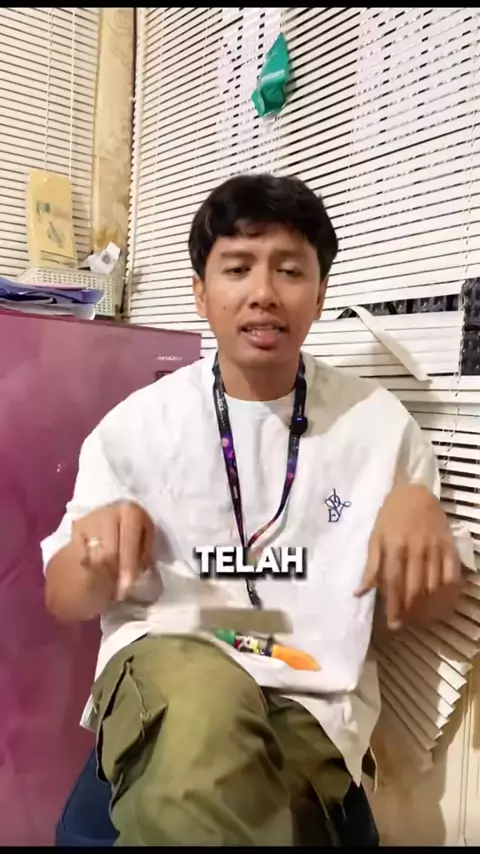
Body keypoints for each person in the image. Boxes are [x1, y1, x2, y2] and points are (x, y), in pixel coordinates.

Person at [43, 174, 463, 847]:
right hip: (172, 666)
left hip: (311, 706)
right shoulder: (137, 426)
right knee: (202, 722)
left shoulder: (381, 429)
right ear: (201, 293)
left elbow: (429, 610)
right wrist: (93, 556)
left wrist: (423, 521)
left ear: (320, 294)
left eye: (289, 270)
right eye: (238, 268)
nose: (263, 292)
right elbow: (64, 597)